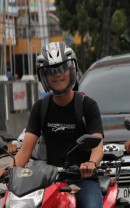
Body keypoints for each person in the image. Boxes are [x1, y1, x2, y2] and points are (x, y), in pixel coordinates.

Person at [0, 42, 104, 208]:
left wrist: (90, 165)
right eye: (51, 71)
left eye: (62, 69)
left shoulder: (88, 105)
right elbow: (25, 150)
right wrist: (7, 171)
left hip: (84, 181)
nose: (58, 75)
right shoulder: (40, 108)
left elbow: (97, 146)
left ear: (71, 71)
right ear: (44, 76)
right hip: (48, 180)